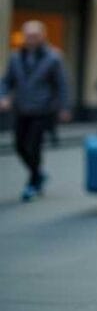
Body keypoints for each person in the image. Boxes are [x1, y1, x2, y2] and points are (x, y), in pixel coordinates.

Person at [0, 20, 70, 202]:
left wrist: (63, 107)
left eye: (34, 36)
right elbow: (7, 80)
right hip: (22, 108)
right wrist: (4, 96)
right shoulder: (16, 57)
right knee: (19, 146)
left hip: (42, 110)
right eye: (27, 35)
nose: (30, 39)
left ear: (42, 36)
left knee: (33, 146)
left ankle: (32, 182)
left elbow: (62, 84)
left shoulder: (53, 57)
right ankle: (38, 173)